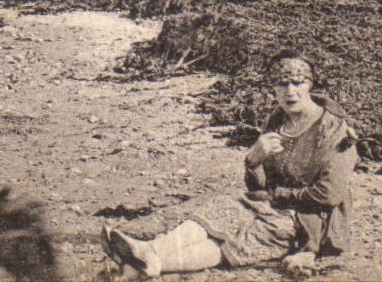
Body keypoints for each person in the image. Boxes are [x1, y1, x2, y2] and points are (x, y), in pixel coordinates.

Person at [101, 52, 357, 278]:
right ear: (273, 88)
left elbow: (329, 194)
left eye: (297, 83)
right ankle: (150, 253)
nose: (290, 91)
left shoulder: (335, 130)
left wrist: (277, 196)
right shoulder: (277, 121)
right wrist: (254, 159)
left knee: (241, 239)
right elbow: (256, 185)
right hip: (270, 204)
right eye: (281, 84)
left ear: (310, 84)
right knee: (221, 208)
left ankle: (153, 263)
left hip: (309, 218)